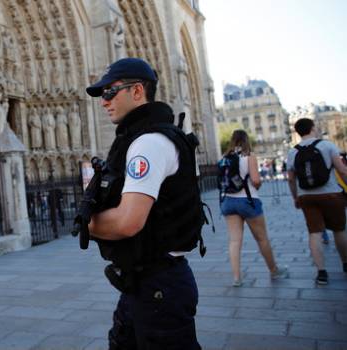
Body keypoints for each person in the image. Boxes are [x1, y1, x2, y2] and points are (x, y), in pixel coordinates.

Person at [85, 57, 203, 348]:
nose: (104, 101)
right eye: (102, 95)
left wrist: (85, 223)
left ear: (137, 91)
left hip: (158, 287)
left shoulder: (148, 143)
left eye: (110, 92)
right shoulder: (159, 136)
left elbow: (128, 221)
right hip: (147, 282)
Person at [219, 130, 289, 287]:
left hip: (228, 201)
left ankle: (237, 278)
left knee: (234, 241)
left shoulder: (224, 157)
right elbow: (256, 180)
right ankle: (274, 270)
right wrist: (257, 184)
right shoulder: (248, 156)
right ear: (246, 140)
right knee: (262, 238)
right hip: (248, 201)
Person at [287, 118, 347, 284]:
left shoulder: (292, 152)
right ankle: (345, 263)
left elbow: (291, 179)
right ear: (313, 128)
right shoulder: (327, 146)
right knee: (339, 230)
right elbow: (341, 170)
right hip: (331, 194)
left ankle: (321, 272)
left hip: (306, 196)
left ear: (298, 132)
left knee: (314, 233)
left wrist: (295, 197)